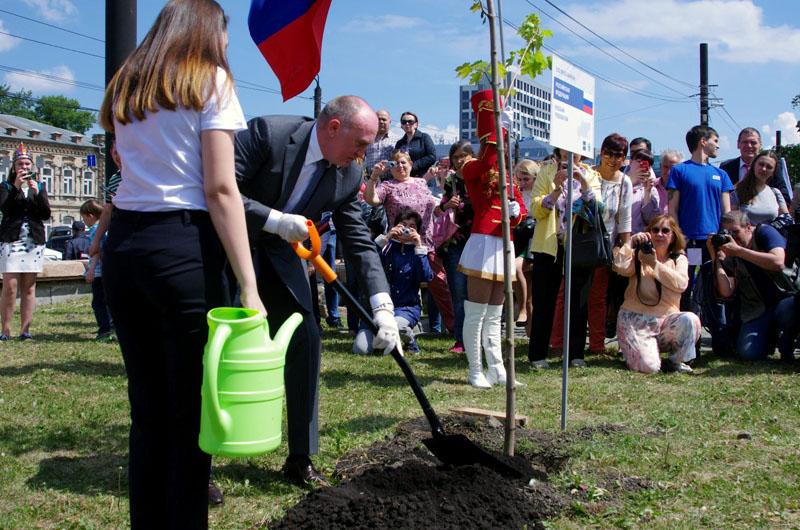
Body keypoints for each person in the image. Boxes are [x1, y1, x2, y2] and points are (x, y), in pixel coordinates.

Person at [98, 2, 266, 527]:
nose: (227, 47)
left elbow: (125, 162)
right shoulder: (210, 81)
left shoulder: (128, 81)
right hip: (182, 246)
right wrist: (249, 283)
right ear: (209, 32)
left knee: (146, 409)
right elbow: (220, 189)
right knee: (190, 408)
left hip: (125, 247)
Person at [234, 95, 398, 487]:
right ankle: (197, 464)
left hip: (278, 255)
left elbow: (358, 241)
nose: (363, 156)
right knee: (215, 349)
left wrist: (383, 306)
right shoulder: (267, 134)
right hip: (225, 245)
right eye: (360, 144)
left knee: (307, 338)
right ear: (333, 128)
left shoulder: (348, 174)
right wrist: (272, 219)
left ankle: (300, 457)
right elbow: (215, 189)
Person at [458, 89, 526, 387]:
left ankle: (497, 367)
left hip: (503, 244)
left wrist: (516, 212)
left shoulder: (509, 172)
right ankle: (475, 368)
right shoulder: (472, 165)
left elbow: (520, 205)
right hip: (484, 241)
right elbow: (486, 162)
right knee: (477, 312)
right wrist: (494, 129)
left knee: (496, 313)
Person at [551, 133, 632, 360]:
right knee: (565, 293)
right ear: (601, 153)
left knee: (598, 297)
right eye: (610, 153)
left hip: (602, 243)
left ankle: (597, 344)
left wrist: (624, 246)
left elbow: (624, 220)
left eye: (620, 155)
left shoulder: (624, 182)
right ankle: (557, 342)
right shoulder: (587, 173)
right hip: (576, 239)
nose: (614, 159)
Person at [365, 149, 454, 335]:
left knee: (440, 285)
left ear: (411, 164)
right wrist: (374, 177)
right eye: (395, 163)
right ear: (390, 168)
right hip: (400, 247)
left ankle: (454, 328)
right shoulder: (388, 186)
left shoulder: (422, 182)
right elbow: (371, 200)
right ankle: (397, 323)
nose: (400, 166)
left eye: (404, 162)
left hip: (425, 244)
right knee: (401, 285)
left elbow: (434, 209)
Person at [527, 147, 601, 369]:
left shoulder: (591, 174)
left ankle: (576, 354)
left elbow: (598, 208)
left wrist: (584, 184)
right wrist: (556, 190)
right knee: (544, 301)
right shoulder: (546, 171)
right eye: (566, 151)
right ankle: (538, 355)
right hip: (549, 244)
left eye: (577, 151)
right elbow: (535, 210)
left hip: (579, 244)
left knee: (578, 300)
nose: (571, 155)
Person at [708, 210, 799, 361]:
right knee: (749, 354)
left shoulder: (764, 232)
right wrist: (716, 259)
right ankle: (769, 338)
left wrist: (740, 252)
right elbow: (726, 291)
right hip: (757, 309)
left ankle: (787, 342)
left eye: (736, 232)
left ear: (748, 227)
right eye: (727, 232)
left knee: (788, 311)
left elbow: (778, 262)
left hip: (786, 299)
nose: (732, 237)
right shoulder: (730, 251)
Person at [613, 215, 701, 373]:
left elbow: (681, 284)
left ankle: (676, 361)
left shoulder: (678, 259)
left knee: (690, 319)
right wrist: (630, 242)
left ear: (673, 236)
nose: (659, 234)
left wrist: (654, 264)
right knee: (650, 367)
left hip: (665, 321)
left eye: (665, 230)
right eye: (655, 230)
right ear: (649, 233)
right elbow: (619, 267)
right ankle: (639, 353)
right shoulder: (638, 255)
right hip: (635, 319)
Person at [668, 124, 733, 310]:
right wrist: (679, 237)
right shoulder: (679, 171)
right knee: (686, 287)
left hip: (713, 243)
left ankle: (719, 333)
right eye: (715, 141)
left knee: (714, 287)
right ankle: (687, 332)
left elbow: (726, 213)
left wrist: (723, 239)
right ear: (703, 142)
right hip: (691, 243)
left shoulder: (721, 175)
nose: (718, 146)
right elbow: (672, 207)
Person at [353, 208, 432, 355]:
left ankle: (408, 339)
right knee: (360, 349)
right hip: (376, 310)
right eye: (403, 225)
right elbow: (367, 260)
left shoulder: (418, 252)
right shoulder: (386, 248)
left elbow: (426, 277)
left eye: (412, 227)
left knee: (395, 328)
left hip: (404, 309)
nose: (407, 230)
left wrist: (419, 246)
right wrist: (387, 237)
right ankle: (387, 338)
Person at [0, 142, 51, 341]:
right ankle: (5, 330)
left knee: (29, 287)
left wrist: (36, 193)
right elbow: (4, 208)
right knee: (10, 286)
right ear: (14, 167)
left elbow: (45, 213)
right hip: (12, 240)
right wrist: (16, 187)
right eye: (20, 164)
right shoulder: (5, 186)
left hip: (33, 241)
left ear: (32, 167)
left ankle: (25, 330)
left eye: (27, 165)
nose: (24, 168)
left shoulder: (39, 186)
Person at [435, 140, 475, 353]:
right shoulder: (451, 180)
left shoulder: (480, 177)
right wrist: (447, 205)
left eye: (463, 155)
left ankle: (477, 339)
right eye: (455, 157)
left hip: (478, 240)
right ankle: (460, 339)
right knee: (458, 292)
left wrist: (464, 204)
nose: (459, 161)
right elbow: (442, 204)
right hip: (456, 241)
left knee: (476, 293)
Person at [720, 127, 791, 202]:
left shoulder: (771, 166)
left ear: (760, 144)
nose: (749, 146)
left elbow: (785, 197)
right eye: (745, 142)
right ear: (738, 144)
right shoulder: (726, 167)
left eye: (753, 142)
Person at [79, 199, 114, 341]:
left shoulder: (95, 231)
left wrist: (91, 270)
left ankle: (104, 329)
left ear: (90, 215)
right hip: (108, 270)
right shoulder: (107, 228)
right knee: (108, 301)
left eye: (84, 218)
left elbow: (96, 251)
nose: (84, 222)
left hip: (99, 272)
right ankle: (111, 326)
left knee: (98, 302)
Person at [512, 159, 539, 327]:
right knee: (524, 287)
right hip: (519, 238)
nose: (522, 183)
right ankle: (530, 334)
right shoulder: (516, 193)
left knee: (517, 269)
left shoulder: (539, 192)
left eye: (526, 179)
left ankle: (522, 309)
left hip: (533, 240)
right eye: (519, 179)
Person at [731, 151, 789, 224]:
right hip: (747, 234)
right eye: (761, 164)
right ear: (754, 165)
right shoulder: (737, 192)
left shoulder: (776, 193)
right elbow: (733, 223)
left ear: (773, 172)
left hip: (771, 234)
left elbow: (786, 219)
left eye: (769, 167)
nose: (764, 169)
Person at [394, 111, 436, 177]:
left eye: (410, 121)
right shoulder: (399, 143)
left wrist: (413, 165)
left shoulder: (424, 137)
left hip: (424, 177)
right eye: (404, 122)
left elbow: (432, 156)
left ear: (416, 124)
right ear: (401, 125)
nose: (407, 124)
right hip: (405, 179)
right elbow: (395, 159)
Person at [363, 109, 398, 175]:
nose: (381, 122)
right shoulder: (368, 139)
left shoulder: (397, 140)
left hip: (390, 179)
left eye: (384, 119)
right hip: (370, 178)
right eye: (378, 119)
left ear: (390, 122)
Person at [657, 149, 683, 216]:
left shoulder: (686, 189)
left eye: (673, 168)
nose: (669, 172)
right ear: (660, 167)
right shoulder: (651, 186)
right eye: (665, 167)